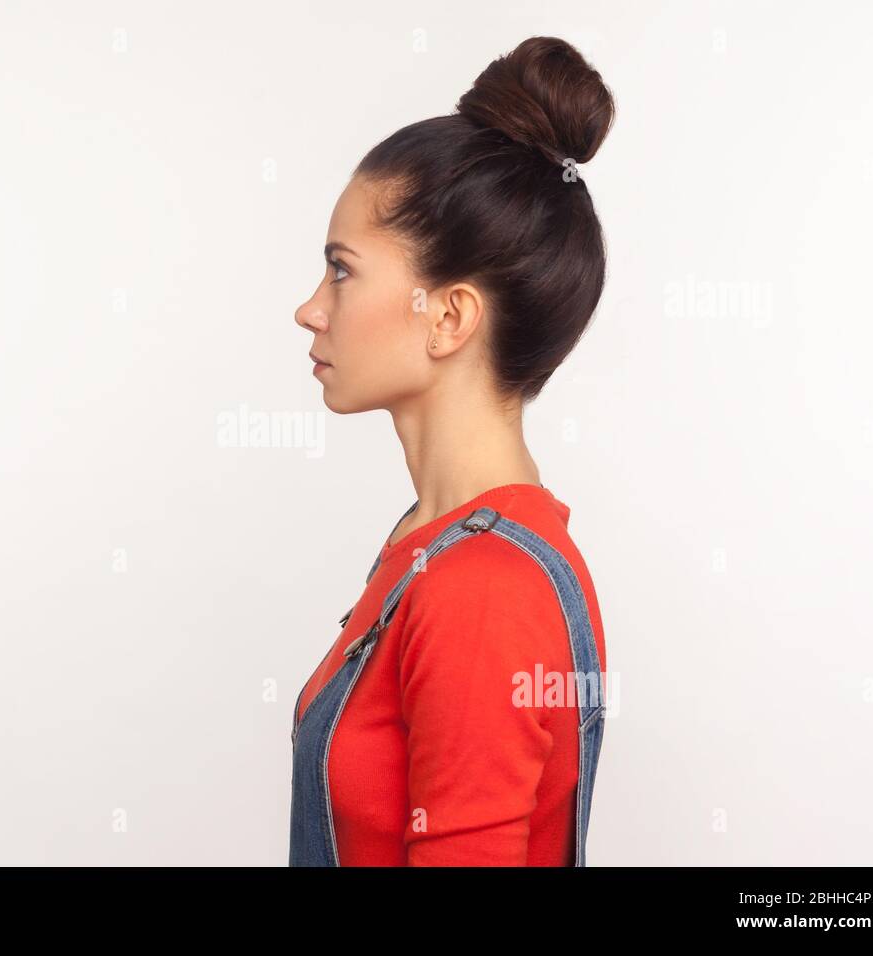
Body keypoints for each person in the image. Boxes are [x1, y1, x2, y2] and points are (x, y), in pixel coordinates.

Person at [290, 36, 613, 867]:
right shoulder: (430, 542)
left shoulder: (480, 592)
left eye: (342, 272)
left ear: (448, 317)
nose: (309, 309)